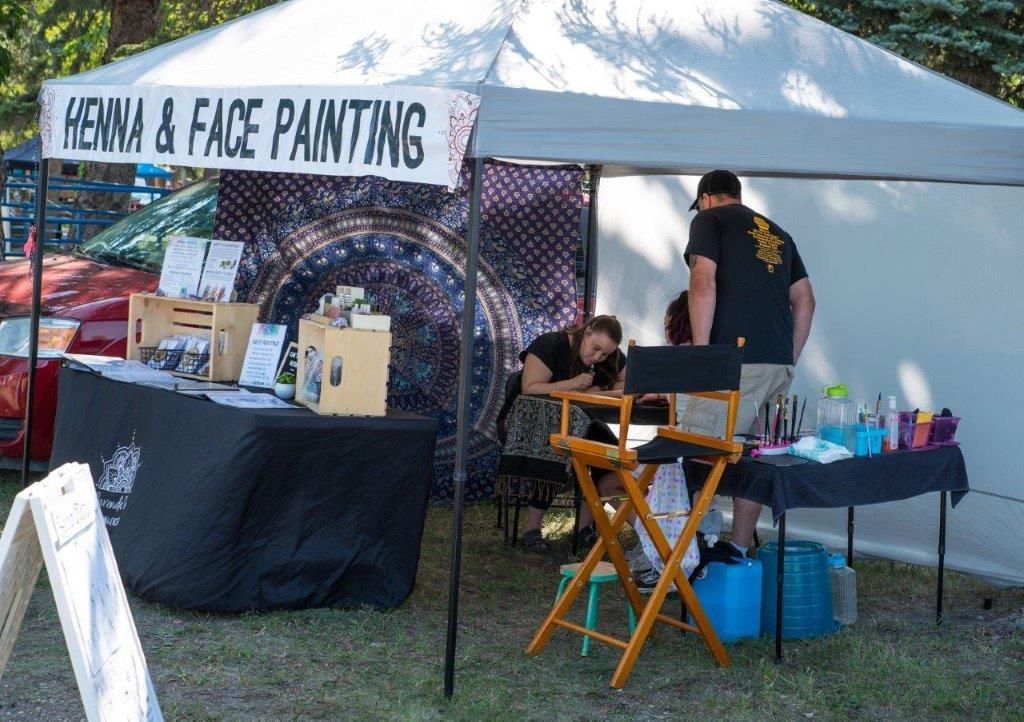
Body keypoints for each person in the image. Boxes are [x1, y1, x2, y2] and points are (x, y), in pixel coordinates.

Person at [681, 170, 816, 559]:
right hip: (776, 363)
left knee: (696, 451)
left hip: (734, 361)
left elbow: (702, 281)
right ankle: (737, 550)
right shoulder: (778, 233)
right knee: (755, 457)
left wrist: (704, 353)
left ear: (706, 198)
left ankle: (685, 548)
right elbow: (805, 299)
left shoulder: (709, 220)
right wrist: (789, 358)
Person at [496, 315, 626, 552]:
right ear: (586, 332)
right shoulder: (551, 344)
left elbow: (628, 384)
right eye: (595, 349)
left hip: (581, 424)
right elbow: (530, 388)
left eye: (604, 354)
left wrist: (598, 390)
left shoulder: (610, 355)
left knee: (606, 453)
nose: (597, 358)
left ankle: (583, 528)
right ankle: (532, 529)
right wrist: (573, 385)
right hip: (528, 423)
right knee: (557, 447)